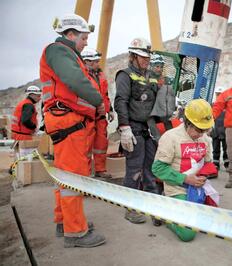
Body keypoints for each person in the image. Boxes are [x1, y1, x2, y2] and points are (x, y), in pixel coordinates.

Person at [40, 14, 105, 248]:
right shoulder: (59, 51)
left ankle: (64, 222)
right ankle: (75, 232)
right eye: (84, 37)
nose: (86, 42)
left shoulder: (67, 55)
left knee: (65, 177)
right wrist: (97, 99)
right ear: (70, 34)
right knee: (73, 178)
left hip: (67, 122)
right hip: (68, 122)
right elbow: (75, 81)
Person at [152, 99, 214, 242]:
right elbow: (157, 168)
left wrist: (205, 175)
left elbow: (208, 163)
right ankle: (165, 212)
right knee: (187, 234)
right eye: (198, 129)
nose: (201, 134)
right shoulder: (171, 137)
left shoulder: (204, 138)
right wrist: (186, 179)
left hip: (197, 189)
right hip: (177, 190)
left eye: (205, 130)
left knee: (210, 223)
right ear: (187, 123)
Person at [114, 37, 159, 224]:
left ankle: (152, 205)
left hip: (150, 129)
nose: (146, 60)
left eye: (147, 57)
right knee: (134, 169)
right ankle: (131, 208)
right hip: (133, 128)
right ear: (132, 56)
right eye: (142, 56)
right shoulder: (125, 75)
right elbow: (120, 101)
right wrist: (124, 128)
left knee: (150, 168)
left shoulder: (151, 75)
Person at [81, 47, 114, 179]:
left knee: (101, 144)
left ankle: (100, 170)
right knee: (86, 146)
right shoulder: (81, 76)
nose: (97, 64)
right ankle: (86, 173)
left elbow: (105, 95)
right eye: (94, 61)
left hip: (100, 116)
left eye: (97, 61)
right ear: (86, 61)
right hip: (88, 117)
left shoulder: (100, 75)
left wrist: (109, 110)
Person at [211, 86, 229, 170]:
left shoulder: (228, 106)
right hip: (215, 131)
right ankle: (216, 164)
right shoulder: (212, 106)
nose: (219, 96)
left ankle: (227, 163)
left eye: (220, 94)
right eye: (217, 94)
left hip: (225, 131)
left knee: (227, 149)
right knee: (215, 149)